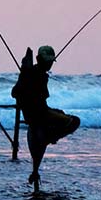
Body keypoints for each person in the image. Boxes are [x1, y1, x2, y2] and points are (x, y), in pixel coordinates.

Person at [11, 45, 81, 188]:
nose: (48, 64)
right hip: (40, 114)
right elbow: (34, 99)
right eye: (47, 61)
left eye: (50, 61)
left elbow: (15, 93)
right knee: (74, 121)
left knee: (60, 113)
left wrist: (24, 77)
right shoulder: (38, 75)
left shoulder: (29, 73)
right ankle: (50, 137)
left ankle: (49, 138)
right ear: (38, 60)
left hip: (35, 113)